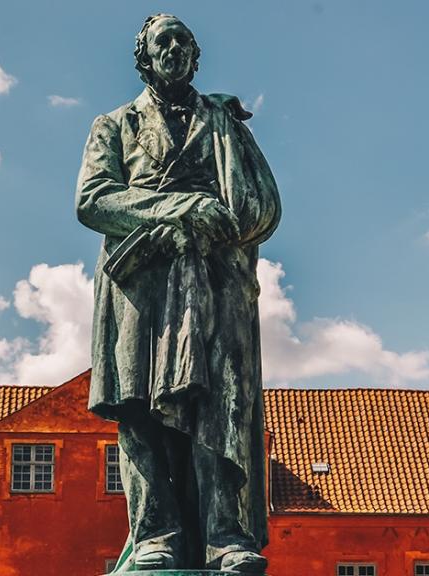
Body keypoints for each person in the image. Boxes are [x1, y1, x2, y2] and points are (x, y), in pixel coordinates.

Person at [76, 14, 281, 573]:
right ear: (143, 57)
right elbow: (94, 199)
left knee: (220, 405)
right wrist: (182, 207)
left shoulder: (226, 124)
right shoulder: (114, 125)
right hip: (139, 284)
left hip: (215, 281)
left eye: (183, 42)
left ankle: (225, 536)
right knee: (138, 407)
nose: (174, 49)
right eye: (162, 42)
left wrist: (221, 223)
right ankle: (154, 535)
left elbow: (265, 205)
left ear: (195, 56)